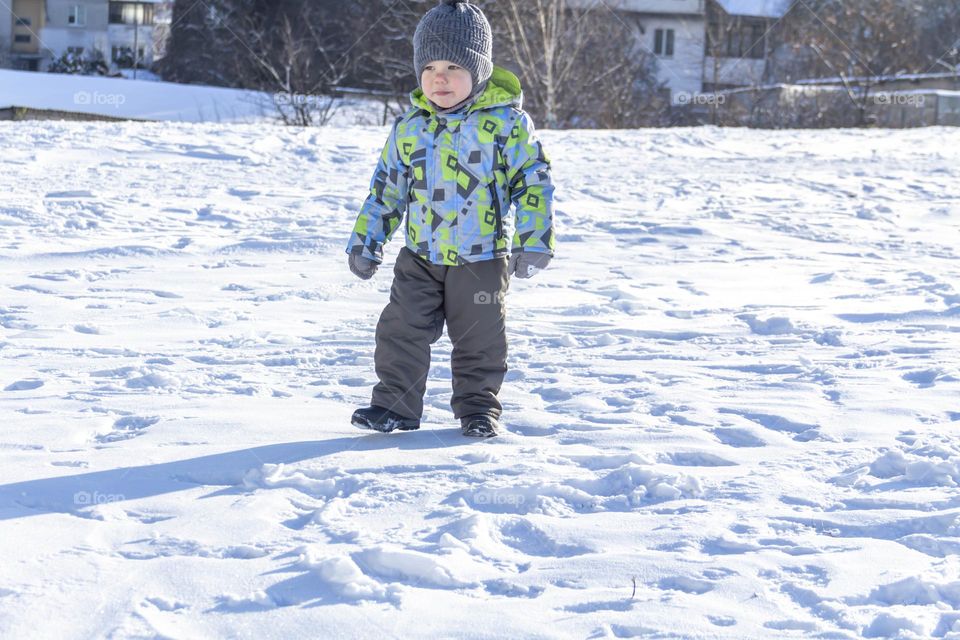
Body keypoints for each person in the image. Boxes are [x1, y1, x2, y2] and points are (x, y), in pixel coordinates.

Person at [346, 0, 555, 438]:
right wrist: (366, 241)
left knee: (480, 338)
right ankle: (395, 407)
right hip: (419, 257)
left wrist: (533, 240)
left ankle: (479, 410)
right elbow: (386, 189)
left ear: (479, 72)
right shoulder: (409, 128)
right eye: (429, 68)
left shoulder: (506, 125)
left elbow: (533, 184)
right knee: (400, 329)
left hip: (481, 258)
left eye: (453, 67)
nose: (439, 78)